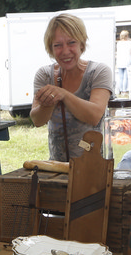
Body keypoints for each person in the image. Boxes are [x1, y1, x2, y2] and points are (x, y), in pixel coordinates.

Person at [30, 13, 112, 161]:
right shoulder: (45, 75)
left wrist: (63, 94)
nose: (65, 51)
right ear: (50, 48)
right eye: (58, 45)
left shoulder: (99, 72)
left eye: (71, 43)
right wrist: (48, 103)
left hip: (94, 166)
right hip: (57, 167)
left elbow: (94, 116)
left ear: (82, 44)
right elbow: (37, 120)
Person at [114, 28, 131, 94]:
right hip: (127, 61)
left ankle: (121, 90)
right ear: (127, 36)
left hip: (120, 61)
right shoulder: (130, 43)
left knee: (121, 77)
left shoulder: (118, 43)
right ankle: (124, 90)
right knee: (126, 77)